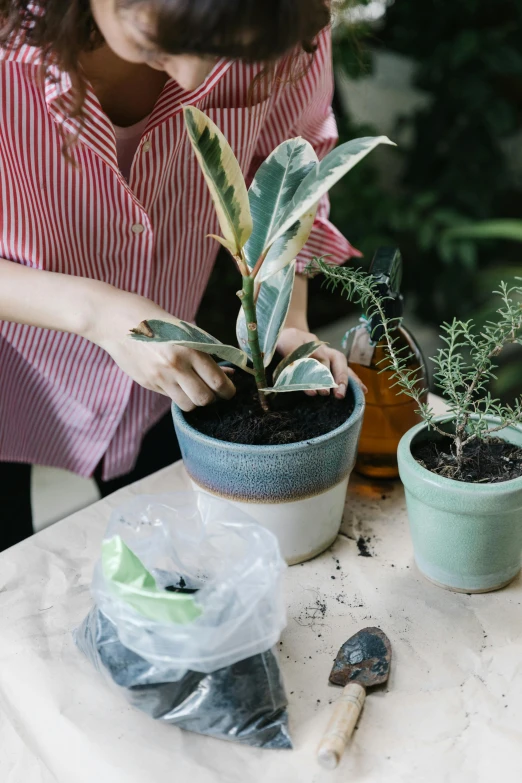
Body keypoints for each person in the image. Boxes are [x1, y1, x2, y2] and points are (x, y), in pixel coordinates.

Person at [0, 0, 362, 551]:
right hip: (13, 368)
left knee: (172, 564)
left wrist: (285, 322)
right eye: (155, 42)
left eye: (229, 52)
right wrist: (98, 311)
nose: (198, 80)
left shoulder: (284, 19)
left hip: (155, 387)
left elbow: (293, 182)